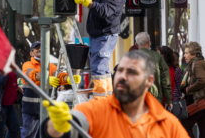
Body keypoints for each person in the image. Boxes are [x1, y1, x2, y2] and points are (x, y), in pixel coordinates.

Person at [41, 50, 190, 138]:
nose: (122, 76)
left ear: (149, 81)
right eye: (120, 70)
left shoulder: (168, 124)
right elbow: (72, 126)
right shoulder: (96, 110)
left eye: (132, 72)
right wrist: (56, 126)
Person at [73, 0, 126, 99]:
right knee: (101, 68)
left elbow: (104, 10)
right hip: (97, 33)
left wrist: (86, 1)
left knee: (98, 68)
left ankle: (100, 100)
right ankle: (107, 98)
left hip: (105, 36)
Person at [21, 41, 81, 138]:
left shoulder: (50, 66)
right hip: (31, 110)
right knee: (28, 135)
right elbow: (33, 75)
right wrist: (47, 79)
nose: (39, 49)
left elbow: (60, 76)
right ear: (31, 53)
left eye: (41, 47)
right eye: (36, 48)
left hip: (46, 110)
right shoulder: (27, 65)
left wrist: (69, 79)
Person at [136, 32, 172, 109]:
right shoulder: (158, 56)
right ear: (149, 42)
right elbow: (165, 80)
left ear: (136, 44)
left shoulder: (130, 58)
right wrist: (168, 100)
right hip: (155, 98)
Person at [180, 42, 205, 138]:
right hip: (201, 99)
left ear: (194, 54)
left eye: (186, 53)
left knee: (184, 125)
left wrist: (189, 88)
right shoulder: (200, 62)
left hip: (197, 100)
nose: (184, 55)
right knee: (203, 129)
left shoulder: (196, 64)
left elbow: (202, 80)